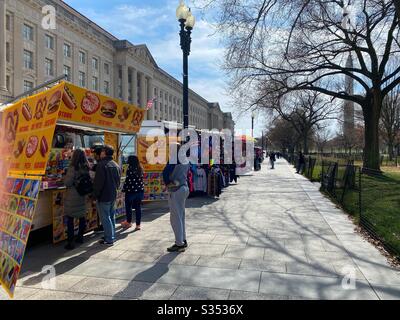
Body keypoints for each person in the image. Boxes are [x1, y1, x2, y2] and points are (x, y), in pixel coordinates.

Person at [162, 144, 190, 253]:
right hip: (184, 187)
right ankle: (183, 239)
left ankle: (179, 243)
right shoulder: (185, 160)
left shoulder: (174, 160)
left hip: (175, 190)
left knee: (175, 218)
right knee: (181, 216)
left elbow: (165, 172)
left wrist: (168, 183)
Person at [93, 145, 121, 246]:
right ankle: (111, 236)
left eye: (101, 151)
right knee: (111, 216)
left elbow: (98, 183)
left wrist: (95, 195)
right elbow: (118, 182)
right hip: (113, 194)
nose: (100, 153)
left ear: (104, 152)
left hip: (104, 195)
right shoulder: (115, 164)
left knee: (105, 218)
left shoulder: (101, 165)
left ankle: (109, 239)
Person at [63, 148, 90, 250]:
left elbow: (68, 183)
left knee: (70, 219)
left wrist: (64, 178)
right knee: (81, 217)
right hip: (83, 195)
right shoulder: (86, 166)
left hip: (73, 196)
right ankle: (80, 237)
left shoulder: (72, 167)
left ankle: (70, 242)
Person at [121, 156, 144, 231]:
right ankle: (138, 225)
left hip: (130, 191)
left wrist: (123, 189)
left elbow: (128, 181)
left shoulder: (129, 169)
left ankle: (129, 222)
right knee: (138, 208)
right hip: (140, 191)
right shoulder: (140, 168)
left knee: (128, 207)